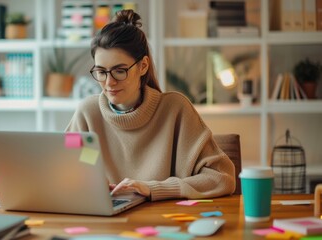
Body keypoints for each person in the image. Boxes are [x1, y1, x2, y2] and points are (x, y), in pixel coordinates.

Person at [66, 9, 235, 201]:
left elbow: (222, 178)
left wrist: (153, 188)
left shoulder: (175, 110)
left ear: (143, 66)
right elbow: (64, 166)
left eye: (119, 71)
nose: (109, 82)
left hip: (162, 221)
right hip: (106, 221)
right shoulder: (88, 113)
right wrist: (85, 179)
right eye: (101, 72)